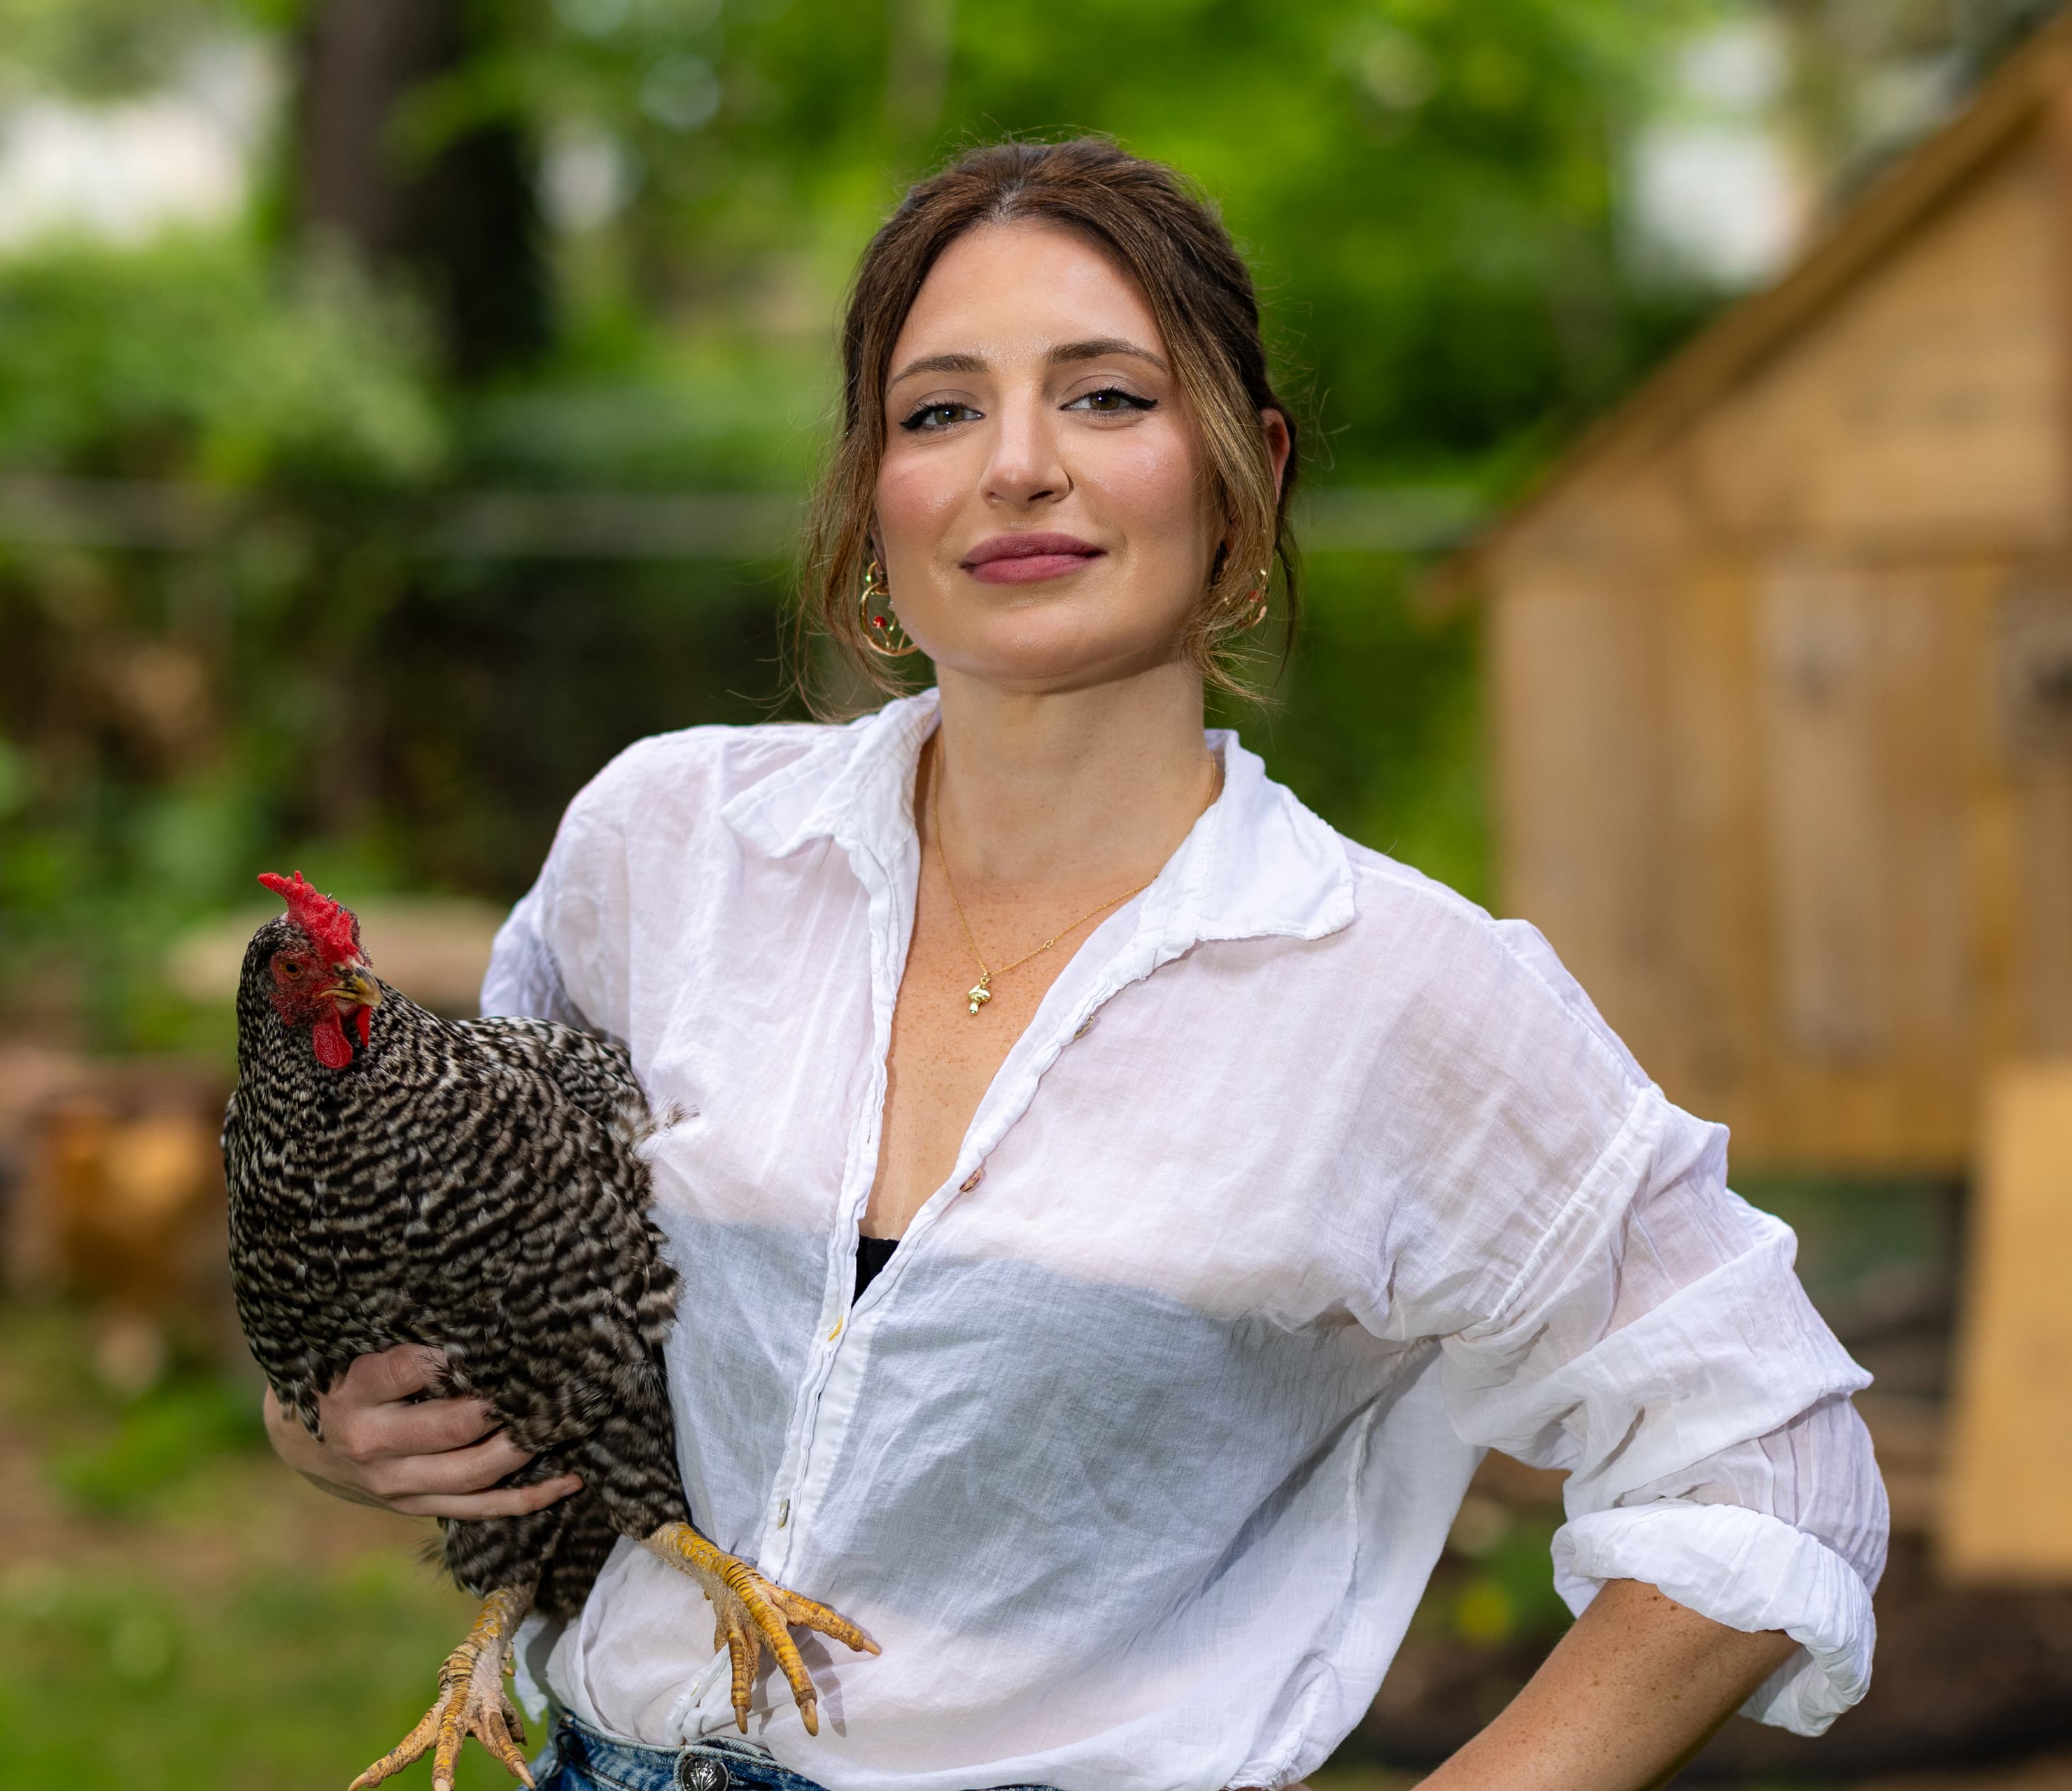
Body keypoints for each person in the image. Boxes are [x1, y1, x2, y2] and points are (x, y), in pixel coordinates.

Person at [266, 137, 1887, 1791]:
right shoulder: (665, 850)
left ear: (1243, 470)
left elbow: (1768, 1464)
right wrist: (328, 1419)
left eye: (1106, 397)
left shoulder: (1392, 988)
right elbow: (457, 1290)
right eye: (939, 411)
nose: (1018, 466)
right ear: (872, 494)